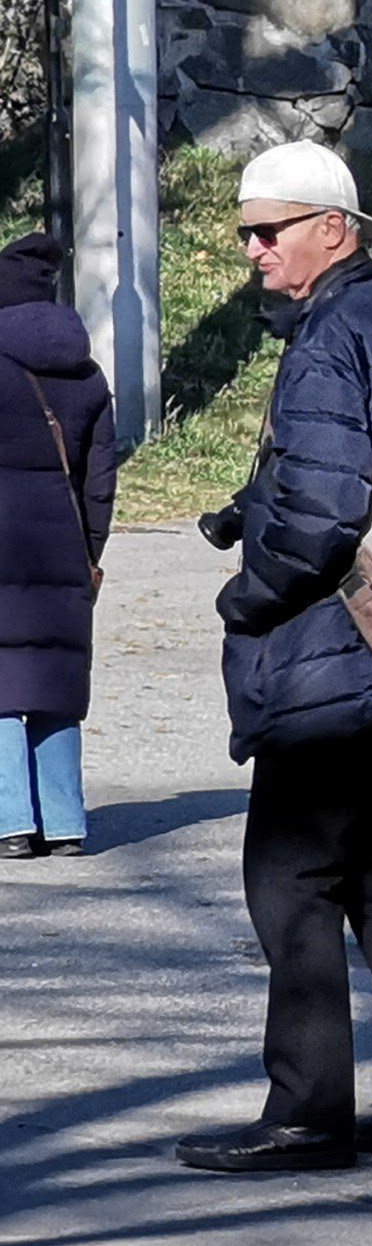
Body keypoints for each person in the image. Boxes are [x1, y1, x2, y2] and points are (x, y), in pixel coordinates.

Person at [177, 140, 372, 1175]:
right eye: (247, 231)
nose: (251, 250)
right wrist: (244, 512)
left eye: (270, 229)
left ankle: (309, 1112)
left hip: (329, 662)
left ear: (332, 229)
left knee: (289, 886)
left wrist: (245, 594)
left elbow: (325, 509)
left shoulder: (328, 338)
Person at [0, 232, 118, 861]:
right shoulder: (87, 373)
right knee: (54, 678)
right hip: (66, 548)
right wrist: (90, 550)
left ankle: (11, 821)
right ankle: (66, 822)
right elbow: (100, 479)